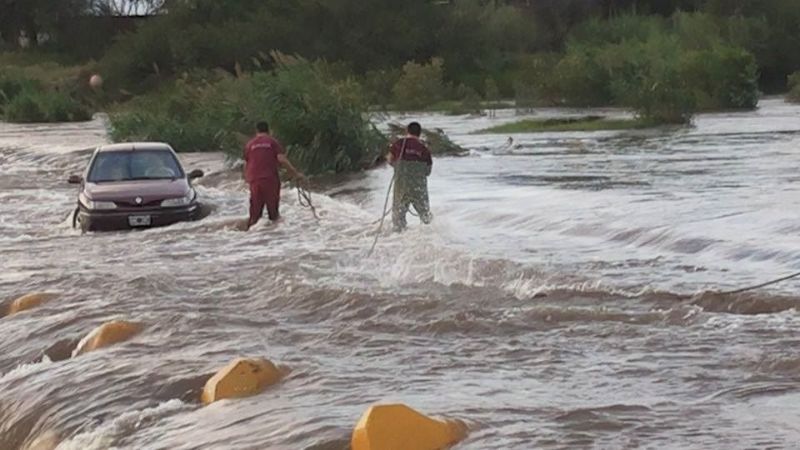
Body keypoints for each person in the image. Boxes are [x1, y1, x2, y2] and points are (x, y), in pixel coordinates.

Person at [243, 121, 304, 229]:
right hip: (269, 179)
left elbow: (246, 163)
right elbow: (282, 159)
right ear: (269, 130)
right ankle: (274, 236)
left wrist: (247, 179)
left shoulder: (249, 144)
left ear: (256, 131)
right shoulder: (272, 142)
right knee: (273, 213)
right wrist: (295, 173)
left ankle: (250, 238)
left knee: (255, 215)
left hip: (254, 180)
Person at [387, 121, 433, 232]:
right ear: (419, 133)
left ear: (407, 131)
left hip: (401, 185)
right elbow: (428, 171)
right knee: (426, 217)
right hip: (418, 187)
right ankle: (430, 238)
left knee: (398, 218)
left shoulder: (398, 144)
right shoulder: (424, 149)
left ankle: (399, 239)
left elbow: (390, 160)